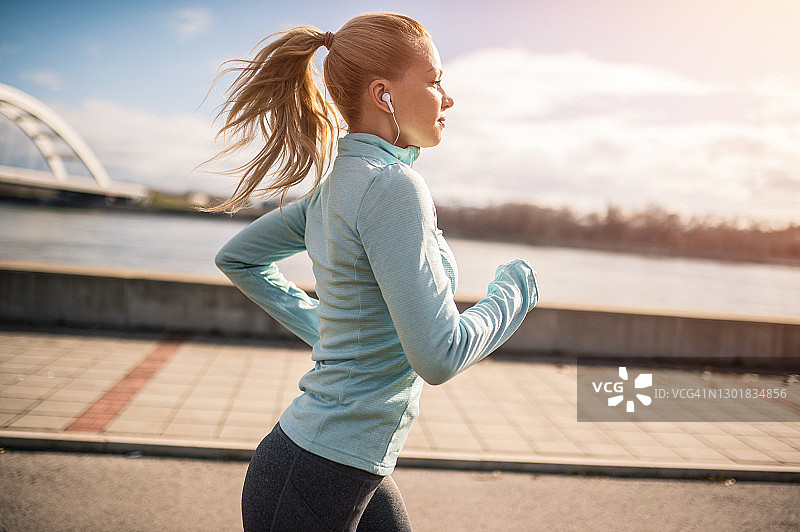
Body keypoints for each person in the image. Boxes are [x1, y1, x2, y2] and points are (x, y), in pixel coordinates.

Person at [212, 11, 539, 531]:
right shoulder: (391, 186)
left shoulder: (340, 183)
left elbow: (239, 259)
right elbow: (439, 356)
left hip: (314, 462)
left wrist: (337, 332)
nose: (447, 98)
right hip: (324, 473)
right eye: (434, 81)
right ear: (383, 94)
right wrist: (514, 291)